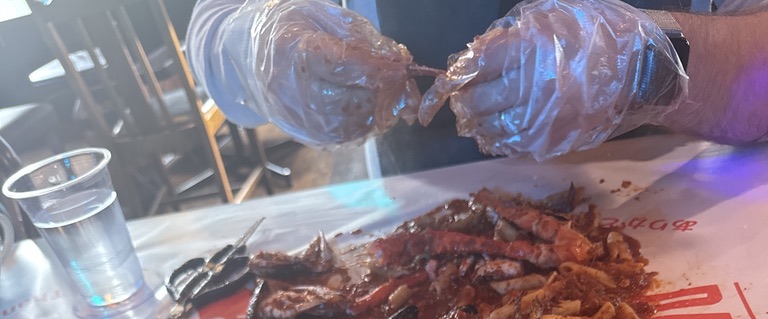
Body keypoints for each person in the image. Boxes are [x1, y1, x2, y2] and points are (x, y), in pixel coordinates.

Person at [186, 0, 768, 176]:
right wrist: (254, 45)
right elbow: (212, 29)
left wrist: (647, 64)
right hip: (421, 221)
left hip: (669, 211)